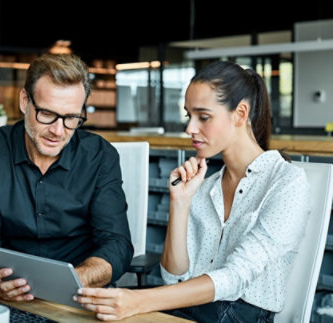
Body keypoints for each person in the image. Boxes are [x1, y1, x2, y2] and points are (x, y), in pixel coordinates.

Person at [74, 60, 310, 322]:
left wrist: (139, 301)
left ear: (240, 114)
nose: (190, 129)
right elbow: (174, 277)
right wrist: (180, 202)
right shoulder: (205, 185)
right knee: (91, 312)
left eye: (204, 117)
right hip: (193, 308)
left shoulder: (287, 182)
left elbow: (235, 277)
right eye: (189, 116)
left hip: (241, 313)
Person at [0, 53, 133, 302]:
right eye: (46, 114)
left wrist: (73, 280)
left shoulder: (100, 156)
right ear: (25, 101)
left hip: (79, 294)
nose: (57, 131)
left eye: (71, 118)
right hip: (7, 291)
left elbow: (116, 244)